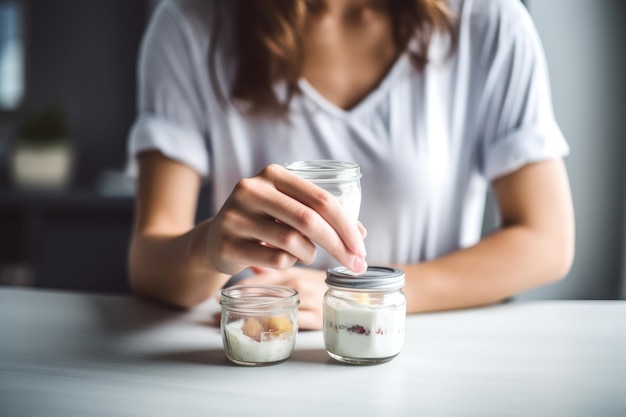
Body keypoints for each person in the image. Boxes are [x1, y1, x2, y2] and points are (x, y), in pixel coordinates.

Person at [126, 0, 575, 329]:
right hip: (263, 345)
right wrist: (207, 247)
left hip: (428, 349)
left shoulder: (488, 22)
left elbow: (547, 242)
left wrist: (363, 295)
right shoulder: (189, 25)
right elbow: (147, 263)